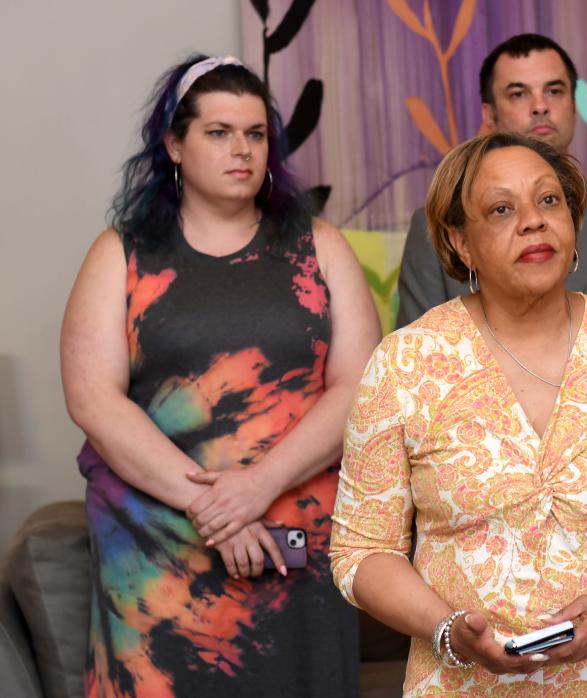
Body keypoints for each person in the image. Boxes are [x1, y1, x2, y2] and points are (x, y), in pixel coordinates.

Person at [331, 132, 587, 695]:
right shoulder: (405, 364)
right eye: (501, 209)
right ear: (460, 243)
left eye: (549, 201)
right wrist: (446, 630)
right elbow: (362, 551)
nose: (534, 222)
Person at [60, 55, 381, 696]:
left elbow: (361, 387)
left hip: (299, 544)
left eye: (255, 134)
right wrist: (218, 507)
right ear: (175, 144)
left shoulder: (319, 244)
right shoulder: (119, 253)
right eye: (219, 132)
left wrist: (258, 486)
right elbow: (93, 398)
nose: (242, 150)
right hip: (160, 556)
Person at [396, 33, 587, 347]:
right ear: (489, 115)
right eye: (519, 94)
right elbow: (415, 359)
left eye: (554, 91)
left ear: (574, 106)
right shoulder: (435, 225)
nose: (540, 107)